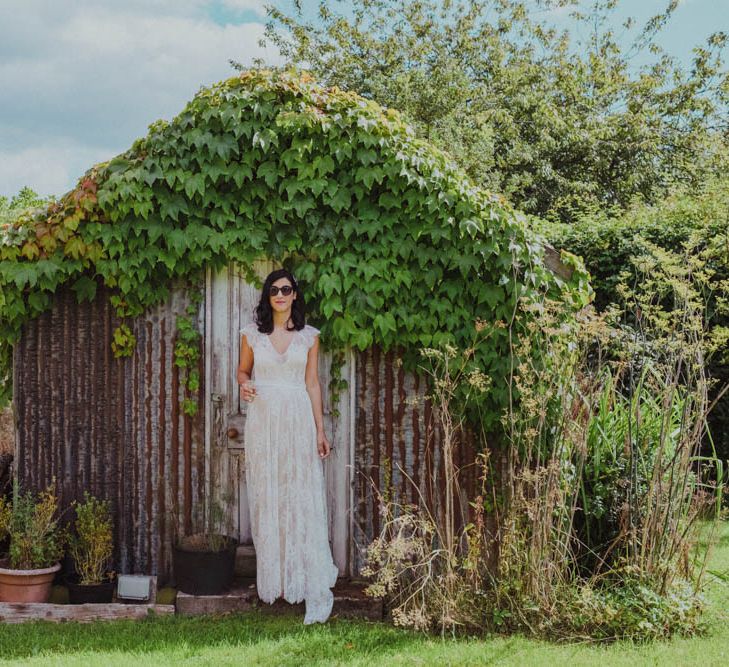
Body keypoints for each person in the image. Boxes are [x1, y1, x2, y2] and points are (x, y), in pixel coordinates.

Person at [237, 268, 339, 624]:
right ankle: (276, 580)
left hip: (297, 421)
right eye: (274, 290)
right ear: (268, 297)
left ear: (295, 295)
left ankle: (303, 577)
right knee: (270, 496)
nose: (280, 295)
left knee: (299, 494)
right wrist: (244, 385)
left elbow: (312, 384)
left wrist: (319, 430)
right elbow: (242, 372)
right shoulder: (251, 335)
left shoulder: (310, 337)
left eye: (286, 289)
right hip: (264, 423)